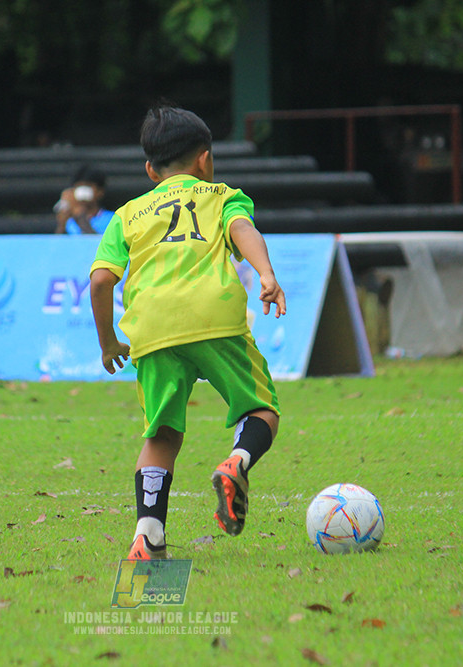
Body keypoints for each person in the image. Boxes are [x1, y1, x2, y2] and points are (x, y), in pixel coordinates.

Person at [89, 105, 286, 560]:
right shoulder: (220, 194)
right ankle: (236, 462)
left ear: (149, 169)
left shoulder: (128, 214)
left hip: (151, 329)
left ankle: (147, 536)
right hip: (213, 316)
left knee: (161, 436)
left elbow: (100, 281)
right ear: (204, 160)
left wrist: (108, 344)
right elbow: (242, 230)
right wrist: (266, 274)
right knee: (261, 408)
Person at [54, 165, 113, 235]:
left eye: (87, 186)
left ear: (100, 191)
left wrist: (80, 217)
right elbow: (57, 244)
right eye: (79, 187)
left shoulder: (112, 219)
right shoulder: (70, 221)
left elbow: (100, 244)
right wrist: (62, 225)